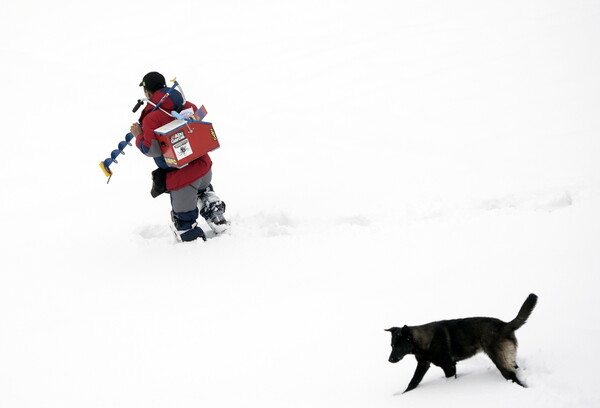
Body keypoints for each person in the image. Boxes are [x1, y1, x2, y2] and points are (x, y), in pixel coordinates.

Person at [130, 72, 228, 242]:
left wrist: (138, 135)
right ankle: (213, 209)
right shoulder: (185, 103)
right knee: (203, 190)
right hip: (204, 167)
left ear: (147, 93)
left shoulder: (151, 119)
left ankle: (193, 242)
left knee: (185, 223)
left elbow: (150, 149)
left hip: (182, 179)